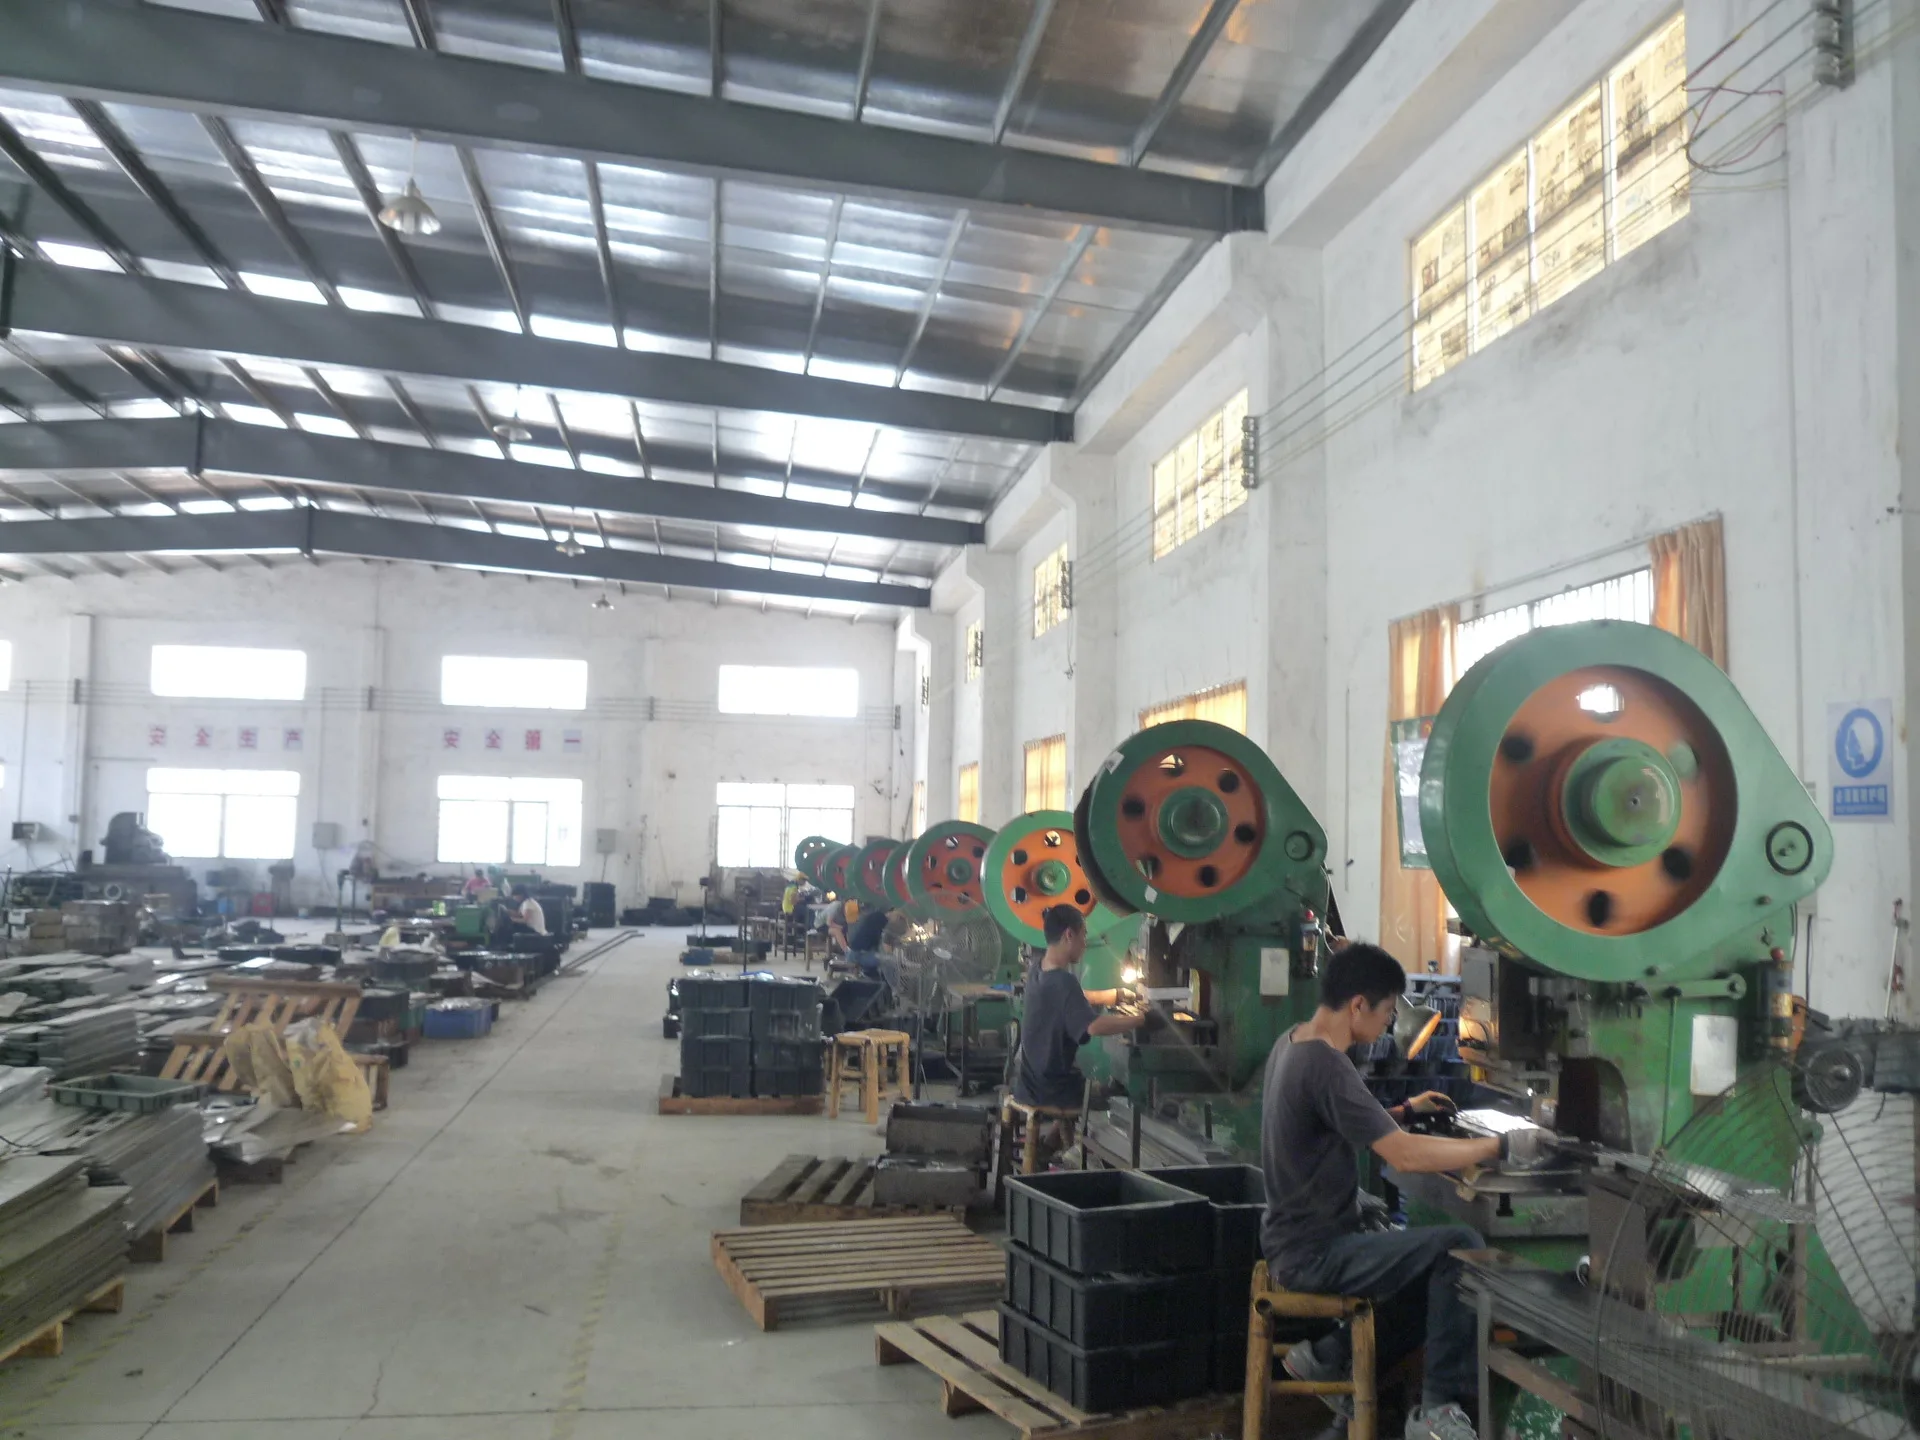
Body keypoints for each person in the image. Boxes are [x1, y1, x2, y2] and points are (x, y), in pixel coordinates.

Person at [1261, 943, 1546, 1440]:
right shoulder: (1326, 1063)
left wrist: (1405, 1112)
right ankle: (1438, 1408)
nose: (1391, 1022)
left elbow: (1339, 1122)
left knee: (1431, 1275)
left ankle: (1331, 1354)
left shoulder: (1291, 1043)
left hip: (1292, 1241)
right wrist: (1499, 1147)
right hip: (1315, 1253)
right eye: (1389, 1010)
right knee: (1460, 1249)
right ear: (1358, 1005)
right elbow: (1405, 1156)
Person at [1013, 906, 1145, 1152]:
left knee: (1085, 1081)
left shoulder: (1038, 969)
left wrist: (1115, 995)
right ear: (1069, 935)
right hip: (1054, 1089)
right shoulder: (1065, 981)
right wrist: (1140, 1020)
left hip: (1029, 1081)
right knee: (1118, 1094)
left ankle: (1049, 1145)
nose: (1085, 943)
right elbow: (1093, 1027)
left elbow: (1073, 998)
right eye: (1083, 935)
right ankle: (1087, 1157)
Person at [843, 903, 890, 976]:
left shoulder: (868, 922)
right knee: (888, 960)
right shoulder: (879, 921)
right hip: (856, 958)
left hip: (852, 956)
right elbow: (885, 949)